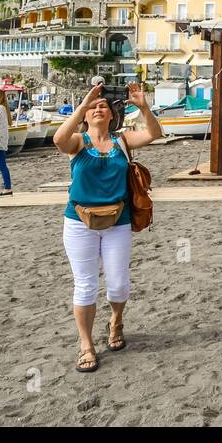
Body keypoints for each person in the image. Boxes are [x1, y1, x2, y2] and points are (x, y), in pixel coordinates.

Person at [53, 81, 163, 374]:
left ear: (112, 115)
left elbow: (155, 133)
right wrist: (84, 103)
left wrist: (143, 106)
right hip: (79, 221)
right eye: (94, 107)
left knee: (118, 283)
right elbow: (58, 140)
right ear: (86, 116)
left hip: (118, 220)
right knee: (86, 285)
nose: (99, 108)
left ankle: (115, 320)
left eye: (103, 106)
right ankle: (86, 344)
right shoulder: (78, 142)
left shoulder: (122, 141)